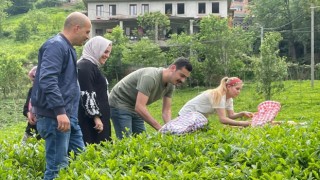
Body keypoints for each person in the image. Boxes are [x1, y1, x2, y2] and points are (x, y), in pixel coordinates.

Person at [30, 12, 91, 180]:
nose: (88, 37)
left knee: (82, 159)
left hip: (68, 117)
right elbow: (48, 79)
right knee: (57, 169)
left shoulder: (67, 47)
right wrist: (59, 111)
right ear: (76, 28)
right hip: (55, 118)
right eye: (87, 32)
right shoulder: (56, 46)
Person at [109, 57, 193, 139]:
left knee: (141, 139)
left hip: (135, 105)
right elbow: (139, 107)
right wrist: (160, 129)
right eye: (182, 75)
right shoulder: (150, 77)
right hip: (120, 102)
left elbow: (166, 111)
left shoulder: (171, 84)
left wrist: (170, 129)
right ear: (173, 68)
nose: (183, 80)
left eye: (185, 77)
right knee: (126, 140)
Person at [77, 36, 112, 145]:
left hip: (99, 119)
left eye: (108, 52)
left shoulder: (91, 66)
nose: (107, 55)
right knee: (94, 149)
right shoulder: (85, 67)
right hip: (92, 122)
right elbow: (87, 93)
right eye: (105, 52)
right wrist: (96, 118)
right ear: (96, 49)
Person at [178, 77, 252, 127]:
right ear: (229, 87)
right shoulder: (219, 95)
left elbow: (231, 115)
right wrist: (242, 123)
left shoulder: (229, 99)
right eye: (237, 89)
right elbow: (223, 119)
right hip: (186, 116)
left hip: (197, 119)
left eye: (240, 89)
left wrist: (242, 113)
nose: (239, 92)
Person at [22, 66, 41, 143]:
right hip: (31, 128)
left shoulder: (48, 91)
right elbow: (25, 109)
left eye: (34, 80)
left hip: (44, 127)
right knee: (23, 147)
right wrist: (29, 114)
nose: (33, 82)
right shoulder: (32, 90)